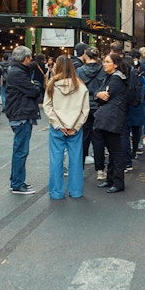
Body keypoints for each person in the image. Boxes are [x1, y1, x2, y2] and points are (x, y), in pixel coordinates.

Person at [43, 56, 90, 199]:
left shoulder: (52, 84)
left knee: (56, 160)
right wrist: (76, 126)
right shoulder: (81, 85)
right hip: (75, 128)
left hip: (57, 128)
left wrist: (57, 124)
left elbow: (47, 106)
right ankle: (76, 191)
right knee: (76, 160)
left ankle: (57, 193)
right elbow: (85, 110)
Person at [5, 45, 42, 195]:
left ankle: (16, 181)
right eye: (30, 57)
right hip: (21, 114)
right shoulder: (18, 73)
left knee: (19, 150)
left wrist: (34, 85)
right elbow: (33, 91)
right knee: (21, 151)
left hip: (20, 113)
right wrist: (36, 84)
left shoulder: (15, 70)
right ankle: (17, 184)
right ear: (26, 58)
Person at [94, 53, 128, 193]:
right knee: (112, 151)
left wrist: (99, 95)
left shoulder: (116, 79)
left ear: (115, 64)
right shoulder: (110, 77)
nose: (104, 63)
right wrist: (98, 94)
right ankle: (111, 179)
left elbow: (105, 97)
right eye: (104, 61)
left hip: (113, 119)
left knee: (116, 151)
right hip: (110, 118)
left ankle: (118, 183)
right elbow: (98, 93)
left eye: (107, 61)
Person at [77, 46, 107, 179]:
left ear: (86, 56)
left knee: (83, 138)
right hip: (99, 106)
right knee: (98, 138)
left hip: (84, 106)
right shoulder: (103, 70)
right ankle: (100, 170)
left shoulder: (79, 71)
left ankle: (79, 169)